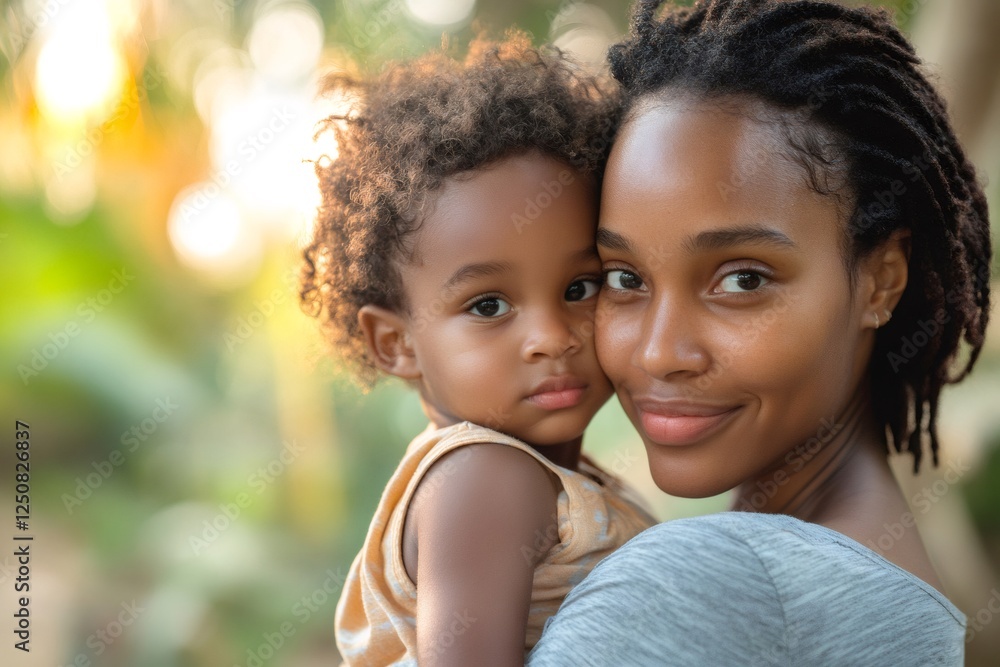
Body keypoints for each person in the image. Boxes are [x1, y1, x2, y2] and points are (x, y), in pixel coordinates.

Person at [526, 0, 992, 664]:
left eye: (742, 279)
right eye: (624, 277)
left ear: (882, 279)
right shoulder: (905, 598)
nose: (660, 352)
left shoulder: (700, 582)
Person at [299, 34, 656, 666]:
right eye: (488, 305)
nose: (552, 336)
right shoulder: (486, 476)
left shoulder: (539, 476)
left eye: (580, 287)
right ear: (397, 343)